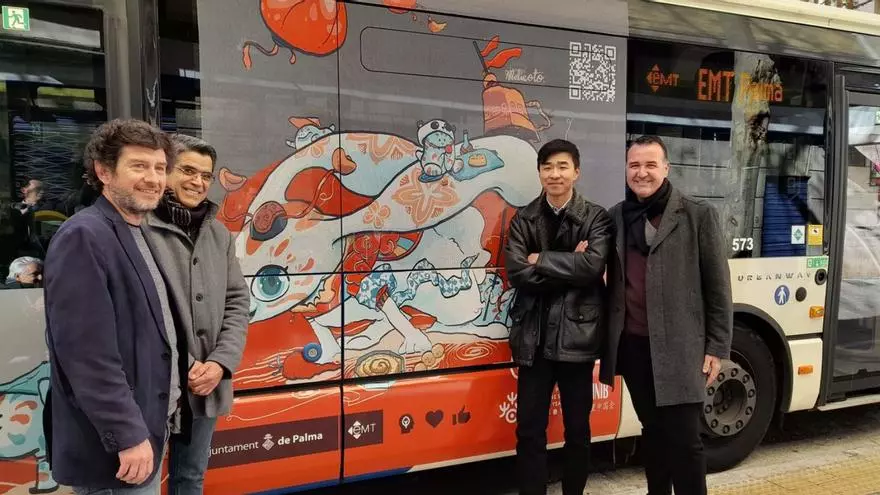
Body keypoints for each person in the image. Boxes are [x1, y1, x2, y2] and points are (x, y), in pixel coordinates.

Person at [43, 119, 186, 494]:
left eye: (159, 168)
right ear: (104, 172)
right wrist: (127, 434)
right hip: (118, 448)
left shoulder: (137, 230)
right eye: (139, 166)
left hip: (147, 425)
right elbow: (86, 354)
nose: (153, 178)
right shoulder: (84, 235)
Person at [599, 135, 733, 495]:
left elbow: (718, 288)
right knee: (653, 434)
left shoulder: (697, 215)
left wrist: (716, 347)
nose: (641, 172)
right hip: (634, 347)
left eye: (650, 165)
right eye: (634, 165)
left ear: (666, 168)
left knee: (685, 441)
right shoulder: (616, 217)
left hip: (682, 349)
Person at [503, 138, 613, 495]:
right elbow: (518, 273)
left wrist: (541, 259)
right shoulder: (524, 218)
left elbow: (593, 266)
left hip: (576, 340)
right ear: (539, 172)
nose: (555, 174)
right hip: (532, 340)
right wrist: (571, 263)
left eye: (562, 166)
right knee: (529, 431)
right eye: (547, 167)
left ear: (576, 172)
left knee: (578, 431)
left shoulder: (596, 217)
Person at [143, 133, 249, 494]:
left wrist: (220, 363)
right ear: (165, 171)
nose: (198, 182)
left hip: (206, 383)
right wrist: (183, 364)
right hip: (155, 383)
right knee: (142, 480)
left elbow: (237, 301)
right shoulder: (138, 228)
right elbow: (139, 311)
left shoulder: (219, 234)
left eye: (206, 175)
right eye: (188, 171)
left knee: (190, 478)